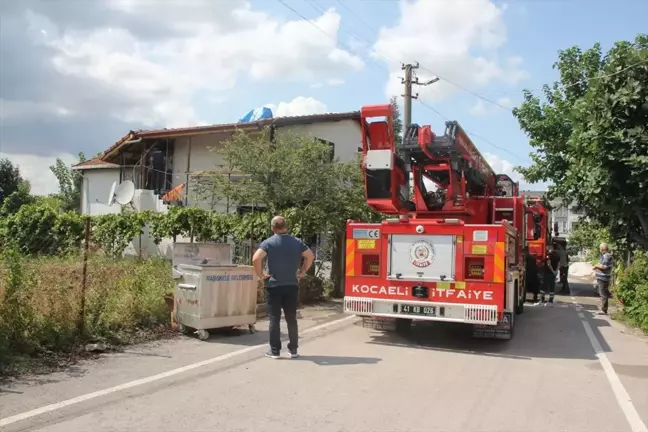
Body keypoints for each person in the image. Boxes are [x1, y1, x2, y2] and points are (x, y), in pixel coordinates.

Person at [252, 216, 315, 359]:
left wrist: (261, 275)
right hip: (292, 285)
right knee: (291, 318)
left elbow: (256, 258)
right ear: (286, 227)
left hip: (273, 285)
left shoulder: (268, 243)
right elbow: (310, 256)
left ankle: (274, 351)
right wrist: (302, 271)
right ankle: (293, 350)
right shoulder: (297, 242)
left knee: (274, 318)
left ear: (272, 227)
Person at [593, 243, 613, 315]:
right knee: (602, 292)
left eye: (600, 248)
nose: (599, 249)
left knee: (603, 293)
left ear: (602, 249)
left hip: (603, 277)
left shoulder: (606, 256)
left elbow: (604, 267)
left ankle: (604, 309)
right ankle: (603, 308)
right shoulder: (605, 256)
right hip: (602, 277)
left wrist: (596, 266)